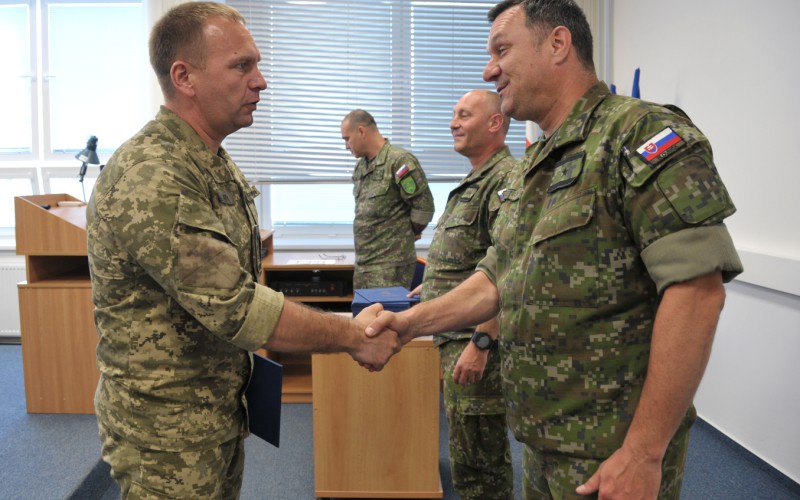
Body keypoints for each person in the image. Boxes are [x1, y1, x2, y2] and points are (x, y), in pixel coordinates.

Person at [367, 1, 744, 498]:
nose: (489, 70)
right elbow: (494, 280)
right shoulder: (533, 166)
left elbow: (697, 293)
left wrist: (643, 452)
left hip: (612, 450)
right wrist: (409, 324)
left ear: (558, 44)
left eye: (502, 50)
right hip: (541, 440)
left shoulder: (637, 133)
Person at [86, 3, 399, 498]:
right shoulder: (152, 174)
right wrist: (353, 336)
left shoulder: (211, 160)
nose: (261, 81)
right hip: (167, 435)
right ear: (184, 77)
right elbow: (236, 305)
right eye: (242, 66)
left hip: (214, 412)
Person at [408, 89, 515, 499]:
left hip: (476, 342)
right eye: (454, 114)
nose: (453, 122)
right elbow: (474, 255)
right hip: (456, 335)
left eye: (464, 115)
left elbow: (509, 267)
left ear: (495, 123)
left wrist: (482, 342)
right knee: (467, 456)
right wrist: (435, 283)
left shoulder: (505, 180)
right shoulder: (478, 178)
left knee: (480, 465)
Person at [341, 110, 435, 289]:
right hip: (364, 265)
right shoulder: (361, 166)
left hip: (391, 266)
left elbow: (424, 207)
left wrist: (406, 233)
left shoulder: (399, 162)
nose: (346, 146)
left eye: (347, 139)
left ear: (361, 131)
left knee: (386, 309)